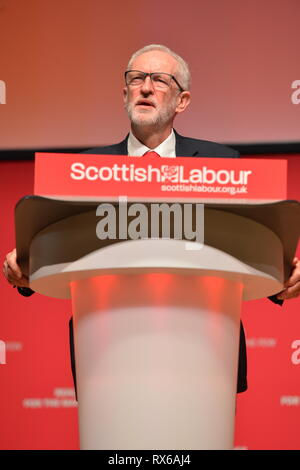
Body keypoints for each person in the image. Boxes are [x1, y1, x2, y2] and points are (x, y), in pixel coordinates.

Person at [3, 44, 300, 394]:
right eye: (136, 78)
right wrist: (24, 267)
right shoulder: (84, 169)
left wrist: (283, 277)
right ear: (124, 93)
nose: (145, 87)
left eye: (160, 80)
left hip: (207, 347)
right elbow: (57, 243)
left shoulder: (222, 163)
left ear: (182, 101)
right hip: (106, 350)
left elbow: (243, 241)